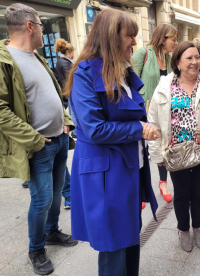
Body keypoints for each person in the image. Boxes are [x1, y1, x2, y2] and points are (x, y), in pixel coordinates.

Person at [0, 3, 77, 275]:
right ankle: (35, 249)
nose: (42, 29)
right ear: (29, 26)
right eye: (40, 24)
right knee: (41, 199)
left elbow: (53, 95)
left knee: (57, 193)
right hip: (38, 146)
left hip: (58, 139)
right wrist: (33, 138)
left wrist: (66, 123)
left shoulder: (37, 56)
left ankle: (51, 232)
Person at [65, 9, 159, 275]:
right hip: (105, 175)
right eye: (129, 36)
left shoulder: (122, 69)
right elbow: (95, 129)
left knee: (130, 237)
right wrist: (138, 129)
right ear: (109, 37)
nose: (134, 42)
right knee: (114, 247)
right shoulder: (85, 73)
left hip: (128, 167)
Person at [148, 41, 200, 252]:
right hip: (175, 153)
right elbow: (154, 121)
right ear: (177, 62)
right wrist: (156, 154)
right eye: (189, 58)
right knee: (182, 194)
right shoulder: (164, 86)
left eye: (197, 57)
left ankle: (198, 227)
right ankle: (183, 229)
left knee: (199, 193)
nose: (195, 62)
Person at [132, 23, 178, 205]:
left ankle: (162, 183)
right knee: (141, 150)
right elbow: (130, 83)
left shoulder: (169, 60)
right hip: (143, 111)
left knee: (162, 146)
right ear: (162, 39)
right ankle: (140, 189)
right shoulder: (142, 54)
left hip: (164, 111)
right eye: (173, 39)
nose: (175, 42)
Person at [54, 38, 76, 209]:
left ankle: (68, 193)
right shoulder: (65, 62)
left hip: (58, 122)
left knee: (60, 163)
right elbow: (70, 81)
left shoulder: (59, 62)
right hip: (68, 97)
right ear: (68, 52)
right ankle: (68, 193)